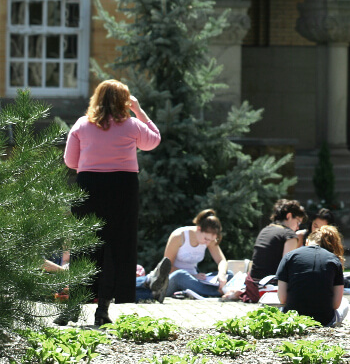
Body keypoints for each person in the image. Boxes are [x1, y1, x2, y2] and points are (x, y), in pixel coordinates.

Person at [65, 80, 161, 325]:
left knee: (85, 246)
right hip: (123, 188)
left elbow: (70, 161)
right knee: (117, 247)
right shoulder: (131, 124)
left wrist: (94, 164)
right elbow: (154, 141)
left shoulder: (81, 124)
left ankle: (71, 309)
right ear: (124, 102)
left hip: (89, 186)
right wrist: (138, 110)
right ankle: (102, 310)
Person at [136, 209, 231, 301]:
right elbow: (166, 267)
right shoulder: (179, 236)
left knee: (229, 274)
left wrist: (221, 274)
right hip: (174, 278)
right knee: (181, 275)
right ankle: (220, 291)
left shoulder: (209, 239)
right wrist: (193, 275)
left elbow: (221, 260)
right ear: (198, 229)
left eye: (211, 240)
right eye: (206, 239)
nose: (208, 243)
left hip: (195, 280)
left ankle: (215, 290)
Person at [276, 225, 350, 326]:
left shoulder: (289, 256)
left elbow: (282, 298)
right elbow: (336, 304)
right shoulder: (334, 260)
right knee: (345, 302)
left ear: (307, 241)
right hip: (324, 320)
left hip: (293, 318)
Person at [241, 200, 306, 302]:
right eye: (298, 222)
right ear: (289, 216)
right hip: (270, 288)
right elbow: (287, 267)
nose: (298, 227)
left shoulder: (265, 230)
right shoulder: (289, 235)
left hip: (252, 287)